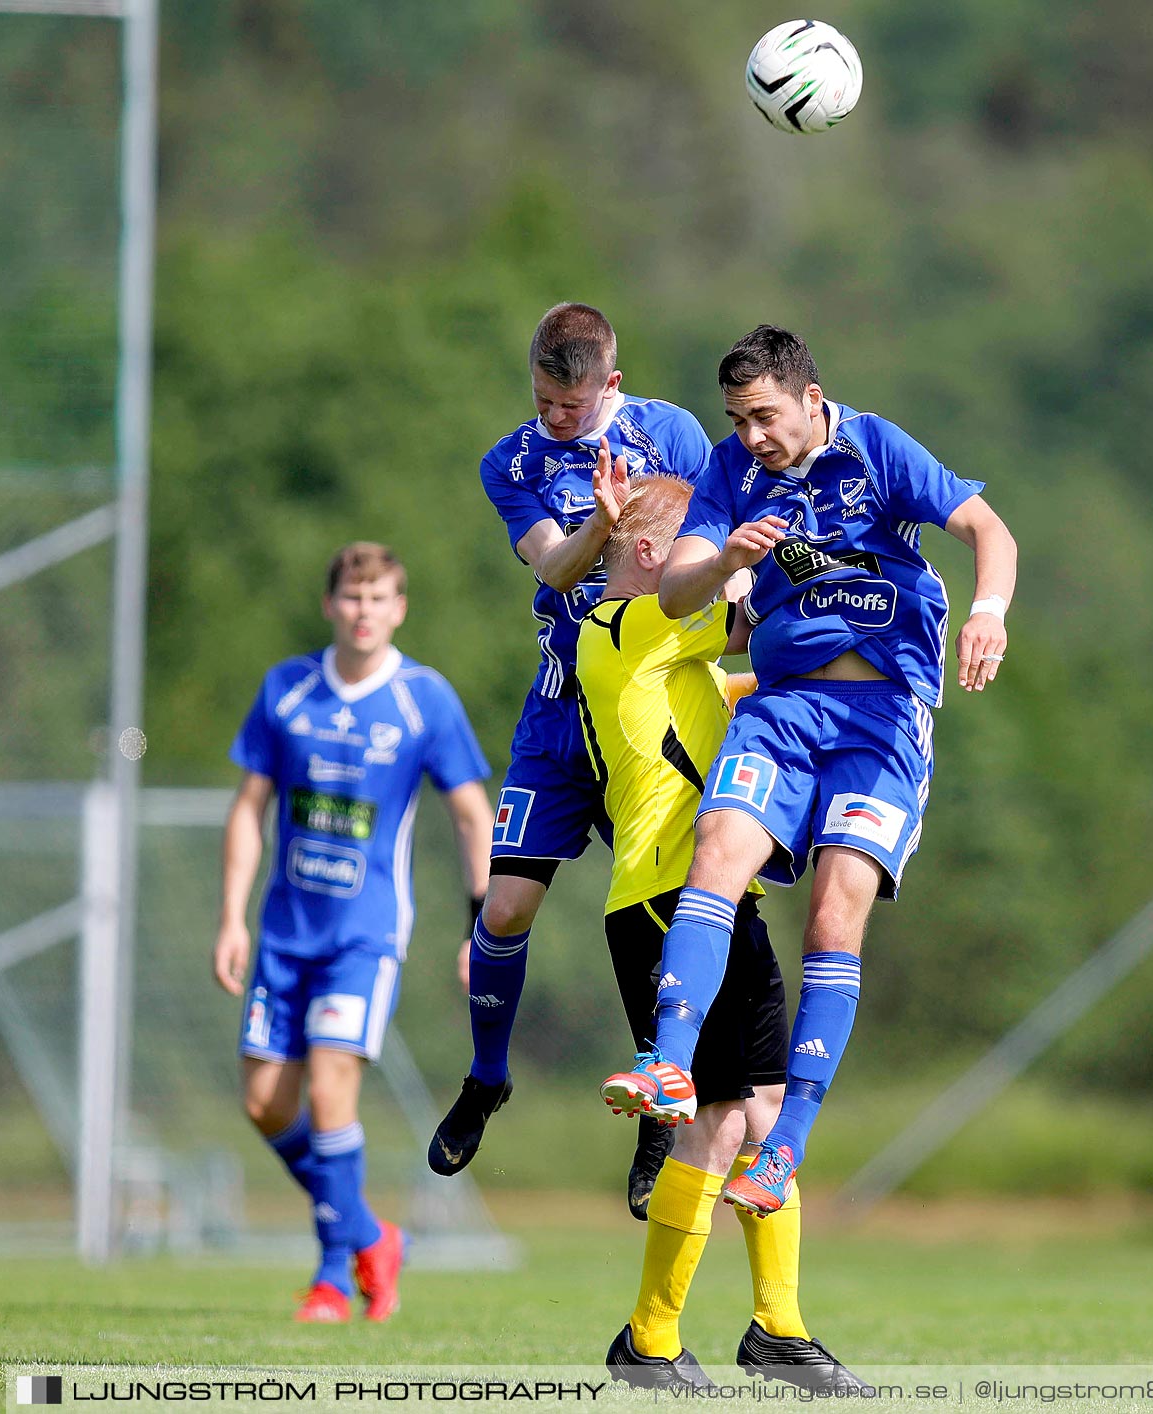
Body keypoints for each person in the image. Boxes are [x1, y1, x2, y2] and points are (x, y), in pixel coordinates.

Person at [603, 325, 1018, 1217]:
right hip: (782, 713)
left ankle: (785, 1144)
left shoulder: (874, 447)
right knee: (716, 851)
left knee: (834, 915)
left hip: (880, 723)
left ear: (809, 396)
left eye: (764, 416)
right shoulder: (730, 473)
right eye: (737, 419)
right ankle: (669, 1065)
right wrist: (724, 562)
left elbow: (988, 529)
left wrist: (988, 612)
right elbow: (675, 591)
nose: (752, 435)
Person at [577, 475, 873, 1396]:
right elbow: (770, 632)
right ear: (659, 560)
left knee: (765, 1113)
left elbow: (739, 676)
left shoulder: (660, 650)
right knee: (716, 1116)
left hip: (705, 899)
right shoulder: (629, 624)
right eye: (699, 554)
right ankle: (651, 1338)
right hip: (673, 899)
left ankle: (777, 1327)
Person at [427, 303, 713, 1207]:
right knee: (505, 907)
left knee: (644, 912)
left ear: (612, 386)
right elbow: (554, 568)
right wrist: (605, 525)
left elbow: (714, 540)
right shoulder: (510, 461)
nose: (554, 417)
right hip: (559, 707)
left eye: (571, 403)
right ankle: (486, 1078)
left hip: (640, 700)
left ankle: (661, 1107)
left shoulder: (673, 434)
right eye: (543, 400)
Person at [214, 542, 494, 1323]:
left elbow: (473, 815)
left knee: (333, 1090)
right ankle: (374, 1235)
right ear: (331, 603)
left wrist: (483, 930)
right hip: (281, 933)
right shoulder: (287, 690)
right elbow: (249, 808)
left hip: (365, 933)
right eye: (351, 597)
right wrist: (231, 917)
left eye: (379, 599)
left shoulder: (423, 700)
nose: (363, 612)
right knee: (267, 1105)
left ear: (399, 608)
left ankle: (334, 1275)